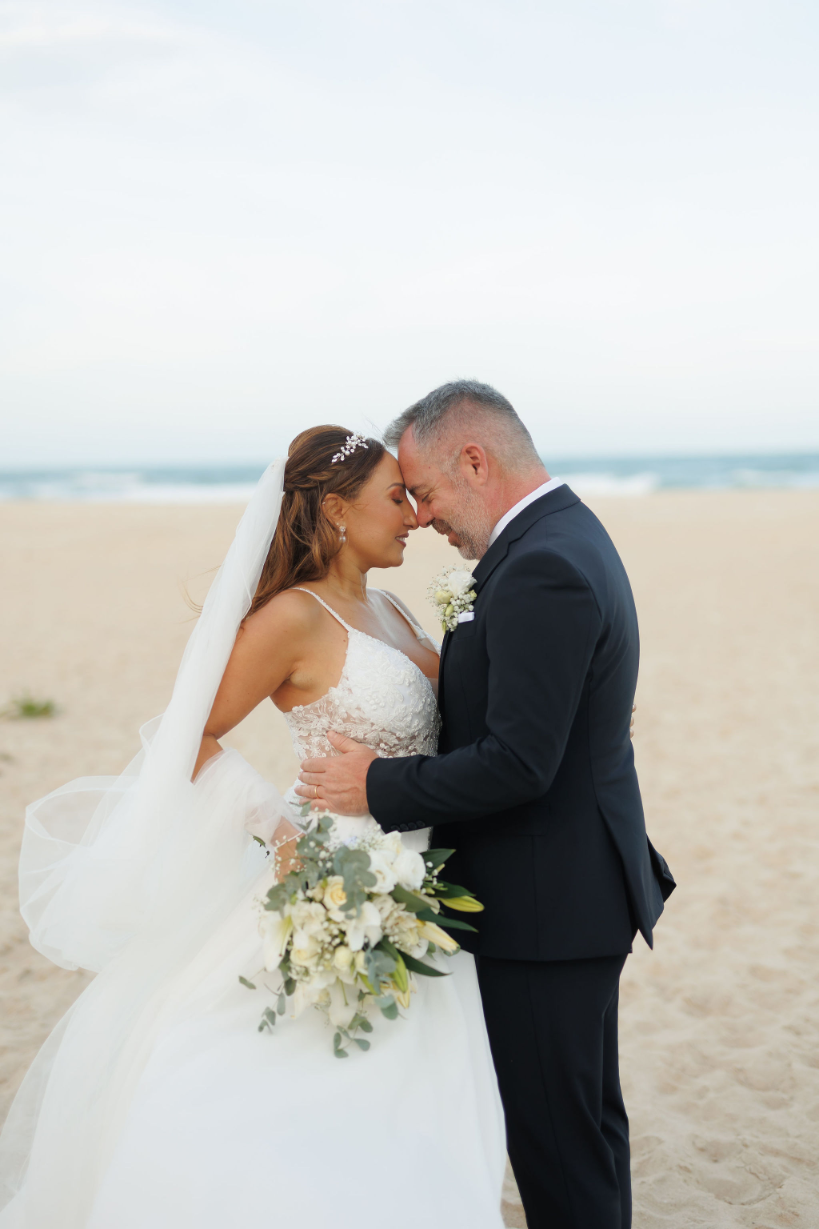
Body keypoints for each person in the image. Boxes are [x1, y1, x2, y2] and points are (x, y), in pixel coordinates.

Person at [0, 427, 506, 1229]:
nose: (412, 513)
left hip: (423, 882)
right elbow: (189, 735)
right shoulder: (290, 618)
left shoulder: (393, 604)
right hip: (333, 879)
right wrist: (281, 832)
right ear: (337, 509)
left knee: (415, 1095)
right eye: (394, 496)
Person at [297, 381, 677, 1229]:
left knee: (559, 1146)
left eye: (425, 492)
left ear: (474, 460)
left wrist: (374, 786)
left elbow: (519, 763)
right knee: (579, 1126)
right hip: (567, 892)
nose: (423, 517)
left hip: (544, 909)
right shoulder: (561, 536)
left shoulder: (540, 565)